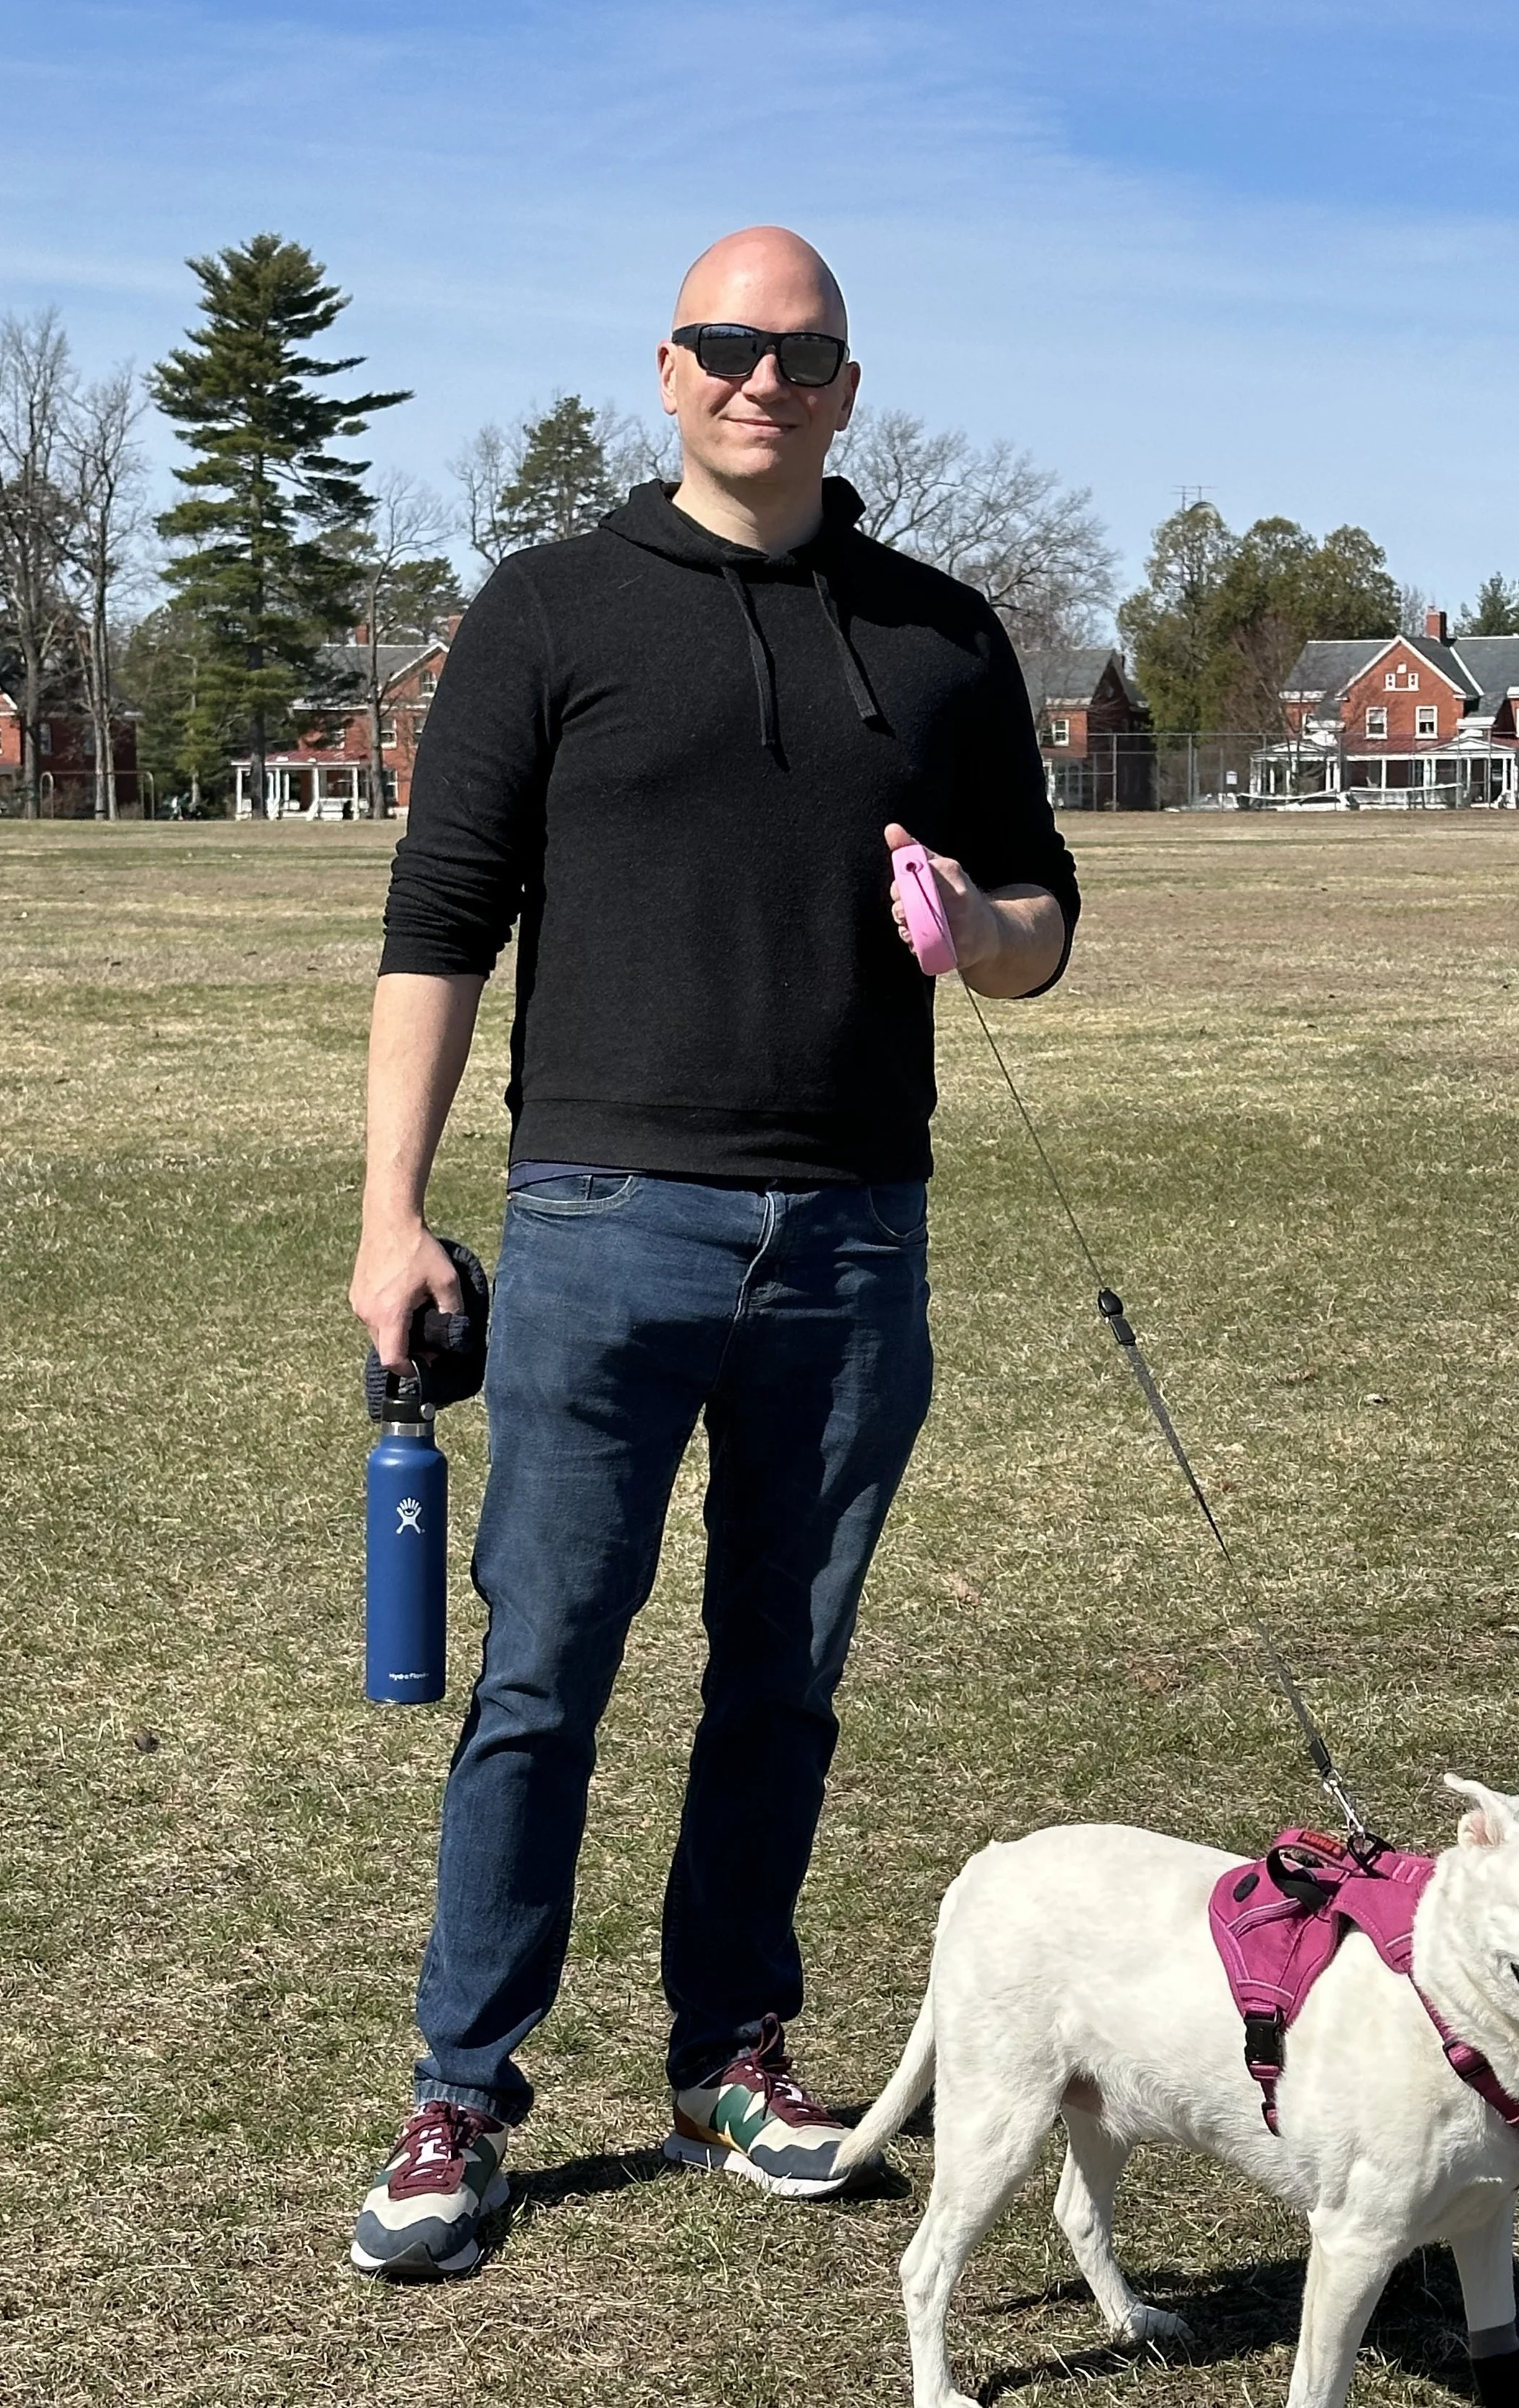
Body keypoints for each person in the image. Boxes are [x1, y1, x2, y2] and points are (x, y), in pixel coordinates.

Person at [346, 225, 1080, 2277]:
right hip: (598, 1224)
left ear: (850, 388)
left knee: (784, 1676)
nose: (764, 379)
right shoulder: (550, 609)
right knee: (539, 1676)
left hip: (853, 1242)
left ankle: (727, 2056)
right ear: (666, 373)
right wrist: (390, 1216)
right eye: (727, 346)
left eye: (806, 353)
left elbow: (1042, 917)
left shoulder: (937, 634)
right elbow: (438, 922)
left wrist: (980, 932)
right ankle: (459, 2092)